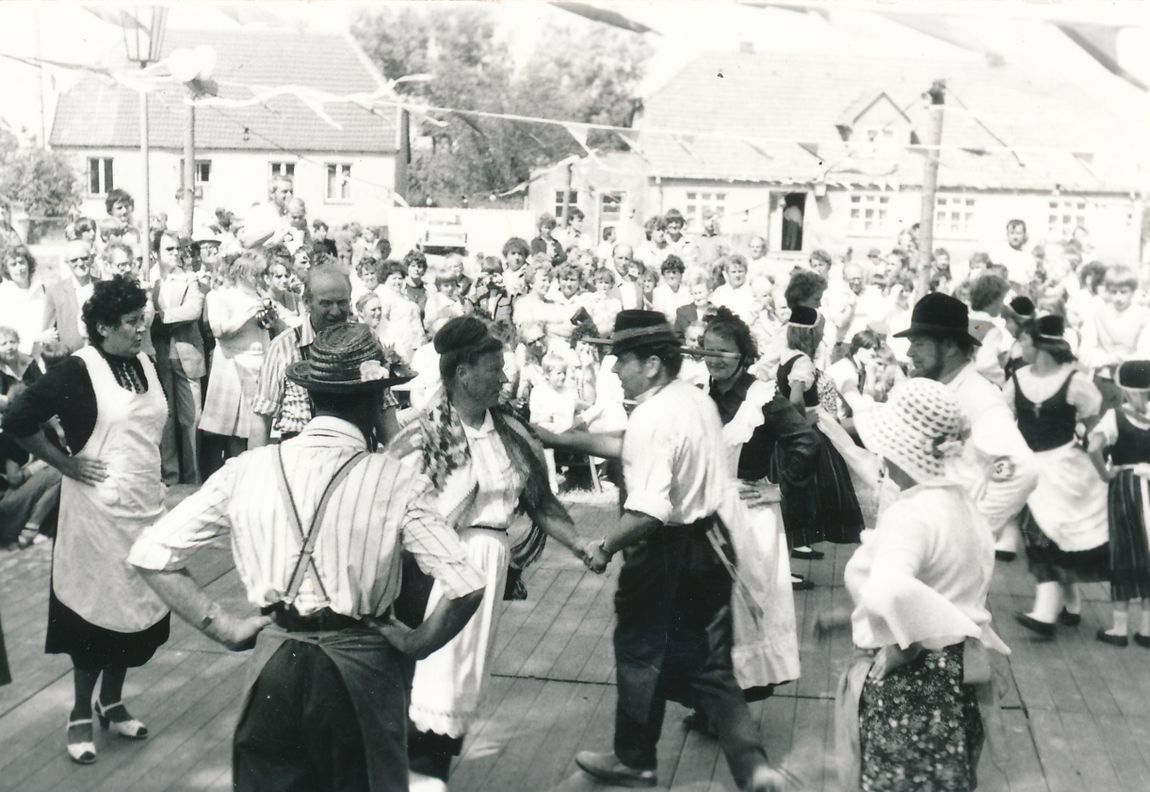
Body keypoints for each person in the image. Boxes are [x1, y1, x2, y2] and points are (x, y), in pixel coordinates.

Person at [128, 323, 485, 792]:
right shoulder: (394, 480)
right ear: (375, 402)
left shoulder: (247, 469)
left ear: (312, 397)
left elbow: (151, 554)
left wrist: (226, 625)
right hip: (361, 667)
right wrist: (418, 643)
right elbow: (465, 584)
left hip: (275, 663)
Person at [539, 310, 787, 792]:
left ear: (652, 364)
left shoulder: (654, 415)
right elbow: (632, 444)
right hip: (713, 543)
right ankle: (754, 770)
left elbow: (649, 510)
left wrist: (604, 546)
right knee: (715, 670)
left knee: (637, 650)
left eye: (621, 360)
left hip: (663, 553)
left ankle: (634, 760)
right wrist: (556, 437)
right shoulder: (694, 402)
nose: (613, 370)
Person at [386, 316, 593, 789]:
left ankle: (424, 769)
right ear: (462, 373)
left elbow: (538, 501)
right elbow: (389, 500)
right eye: (495, 369)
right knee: (433, 674)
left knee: (460, 676)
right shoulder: (425, 433)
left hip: (487, 566)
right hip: (436, 568)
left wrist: (582, 545)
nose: (504, 378)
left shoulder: (509, 433)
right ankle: (420, 773)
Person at [6, 276, 171, 765]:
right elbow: (17, 417)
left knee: (136, 611)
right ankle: (80, 711)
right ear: (101, 327)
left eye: (142, 319)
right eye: (130, 322)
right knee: (94, 616)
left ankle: (112, 700)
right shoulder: (80, 369)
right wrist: (65, 463)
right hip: (96, 514)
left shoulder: (144, 361)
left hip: (144, 506)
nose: (141, 328)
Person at [822, 378, 1009, 792]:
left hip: (914, 684)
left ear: (899, 450)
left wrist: (904, 642)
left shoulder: (913, 514)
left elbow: (890, 589)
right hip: (957, 674)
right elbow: (951, 587)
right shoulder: (963, 507)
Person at [699, 308, 801, 703]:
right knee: (709, 608)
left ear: (743, 354)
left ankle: (743, 703)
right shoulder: (701, 394)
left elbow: (805, 442)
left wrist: (782, 489)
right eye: (707, 350)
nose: (713, 358)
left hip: (748, 513)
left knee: (749, 606)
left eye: (723, 351)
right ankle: (710, 702)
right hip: (706, 511)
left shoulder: (761, 397)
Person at [897, 293, 1038, 560]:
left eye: (918, 343)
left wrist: (975, 531)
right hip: (920, 541)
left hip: (947, 556)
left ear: (949, 346)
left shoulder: (978, 397)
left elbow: (1022, 469)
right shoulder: (939, 388)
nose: (909, 352)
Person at [1005, 315, 1110, 638]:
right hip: (1029, 465)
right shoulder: (1019, 378)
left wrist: (1083, 436)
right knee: (1038, 531)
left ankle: (1047, 612)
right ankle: (1068, 606)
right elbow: (1005, 415)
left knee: (1049, 533)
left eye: (1024, 340)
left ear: (1041, 346)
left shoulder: (1074, 380)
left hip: (1063, 466)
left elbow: (1092, 412)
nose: (1019, 345)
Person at [1088, 359, 1150, 648]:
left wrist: (1105, 473)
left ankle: (1119, 627)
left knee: (1125, 549)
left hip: (1126, 486)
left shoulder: (1116, 416)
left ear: (1124, 389)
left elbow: (1093, 447)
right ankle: (1147, 629)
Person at [200, 251, 279, 467]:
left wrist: (268, 319)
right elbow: (219, 330)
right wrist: (249, 312)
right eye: (256, 274)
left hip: (259, 365)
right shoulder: (219, 296)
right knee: (234, 434)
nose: (260, 279)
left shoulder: (259, 297)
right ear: (242, 273)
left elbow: (263, 331)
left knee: (256, 430)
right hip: (232, 366)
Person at [151, 231, 205, 485]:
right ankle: (171, 478)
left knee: (192, 419)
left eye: (176, 249)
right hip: (159, 356)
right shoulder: (150, 281)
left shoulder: (190, 278)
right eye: (168, 250)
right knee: (165, 419)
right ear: (157, 253)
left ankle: (194, 479)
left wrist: (162, 316)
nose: (174, 254)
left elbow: (193, 310)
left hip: (187, 355)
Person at [44, 240, 98, 354]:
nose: (80, 263)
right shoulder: (55, 291)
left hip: (101, 357)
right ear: (67, 262)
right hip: (70, 359)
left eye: (84, 258)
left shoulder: (104, 287)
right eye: (74, 260)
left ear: (92, 259)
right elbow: (48, 333)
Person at [0, 244, 52, 360]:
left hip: (45, 355)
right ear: (6, 269)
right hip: (17, 358)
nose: (20, 268)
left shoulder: (42, 288)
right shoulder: (3, 294)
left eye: (22, 262)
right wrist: (36, 338)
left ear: (29, 264)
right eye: (13, 264)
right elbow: (5, 332)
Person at [240, 176, 294, 249]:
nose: (289, 195)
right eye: (284, 192)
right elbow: (247, 243)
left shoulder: (292, 215)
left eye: (291, 192)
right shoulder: (258, 212)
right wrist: (275, 229)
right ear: (272, 194)